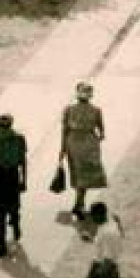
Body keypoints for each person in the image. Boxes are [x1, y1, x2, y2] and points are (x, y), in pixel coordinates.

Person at [60, 82, 107, 220]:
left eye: (87, 91)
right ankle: (79, 204)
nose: (85, 94)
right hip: (78, 143)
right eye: (83, 91)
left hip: (81, 143)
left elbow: (101, 129)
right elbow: (65, 130)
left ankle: (79, 204)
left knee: (82, 176)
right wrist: (62, 149)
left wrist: (62, 149)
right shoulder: (70, 110)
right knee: (80, 176)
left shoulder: (95, 110)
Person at [0, 114, 27, 257]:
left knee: (13, 208)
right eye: (2, 126)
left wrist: (24, 180)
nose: (4, 129)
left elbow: (22, 161)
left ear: (11, 125)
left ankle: (16, 225)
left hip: (12, 176)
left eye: (6, 126)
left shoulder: (19, 139)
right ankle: (2, 245)